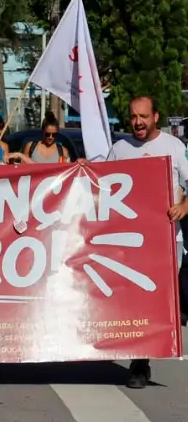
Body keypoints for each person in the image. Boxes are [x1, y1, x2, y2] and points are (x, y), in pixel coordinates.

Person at [104, 96, 188, 389]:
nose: (137, 122)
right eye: (133, 117)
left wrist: (184, 206)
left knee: (155, 302)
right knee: (133, 302)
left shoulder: (174, 148)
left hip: (165, 239)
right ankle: (139, 362)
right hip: (128, 241)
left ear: (156, 116)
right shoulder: (119, 148)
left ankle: (142, 363)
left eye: (143, 116)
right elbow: (100, 183)